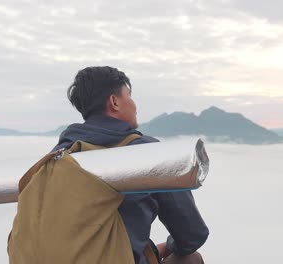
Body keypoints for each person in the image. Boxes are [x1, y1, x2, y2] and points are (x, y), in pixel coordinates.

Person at [51, 66, 208, 264]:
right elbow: (192, 236)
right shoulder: (143, 153)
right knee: (191, 259)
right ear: (114, 102)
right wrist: (169, 247)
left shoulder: (58, 157)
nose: (135, 105)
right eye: (129, 96)